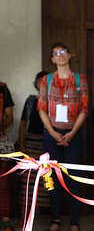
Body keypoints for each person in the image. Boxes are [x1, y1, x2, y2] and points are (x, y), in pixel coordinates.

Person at [38, 42, 89, 231]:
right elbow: (41, 109)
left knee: (74, 178)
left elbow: (84, 109)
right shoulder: (47, 80)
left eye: (63, 52)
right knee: (52, 178)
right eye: (56, 53)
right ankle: (56, 221)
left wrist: (72, 133)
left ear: (69, 55)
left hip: (73, 136)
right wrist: (52, 132)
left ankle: (74, 222)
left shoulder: (79, 79)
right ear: (52, 59)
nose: (60, 55)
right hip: (52, 135)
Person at [17, 71, 50, 226]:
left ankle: (49, 218)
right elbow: (23, 123)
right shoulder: (31, 101)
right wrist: (22, 143)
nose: (41, 83)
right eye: (39, 81)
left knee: (46, 179)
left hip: (47, 144)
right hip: (30, 143)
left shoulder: (53, 100)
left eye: (45, 80)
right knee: (27, 181)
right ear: (36, 84)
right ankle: (24, 218)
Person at [0, 81, 15, 231]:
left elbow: (9, 116)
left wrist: (1, 126)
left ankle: (5, 224)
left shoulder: (3, 87)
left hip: (0, 141)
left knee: (2, 185)